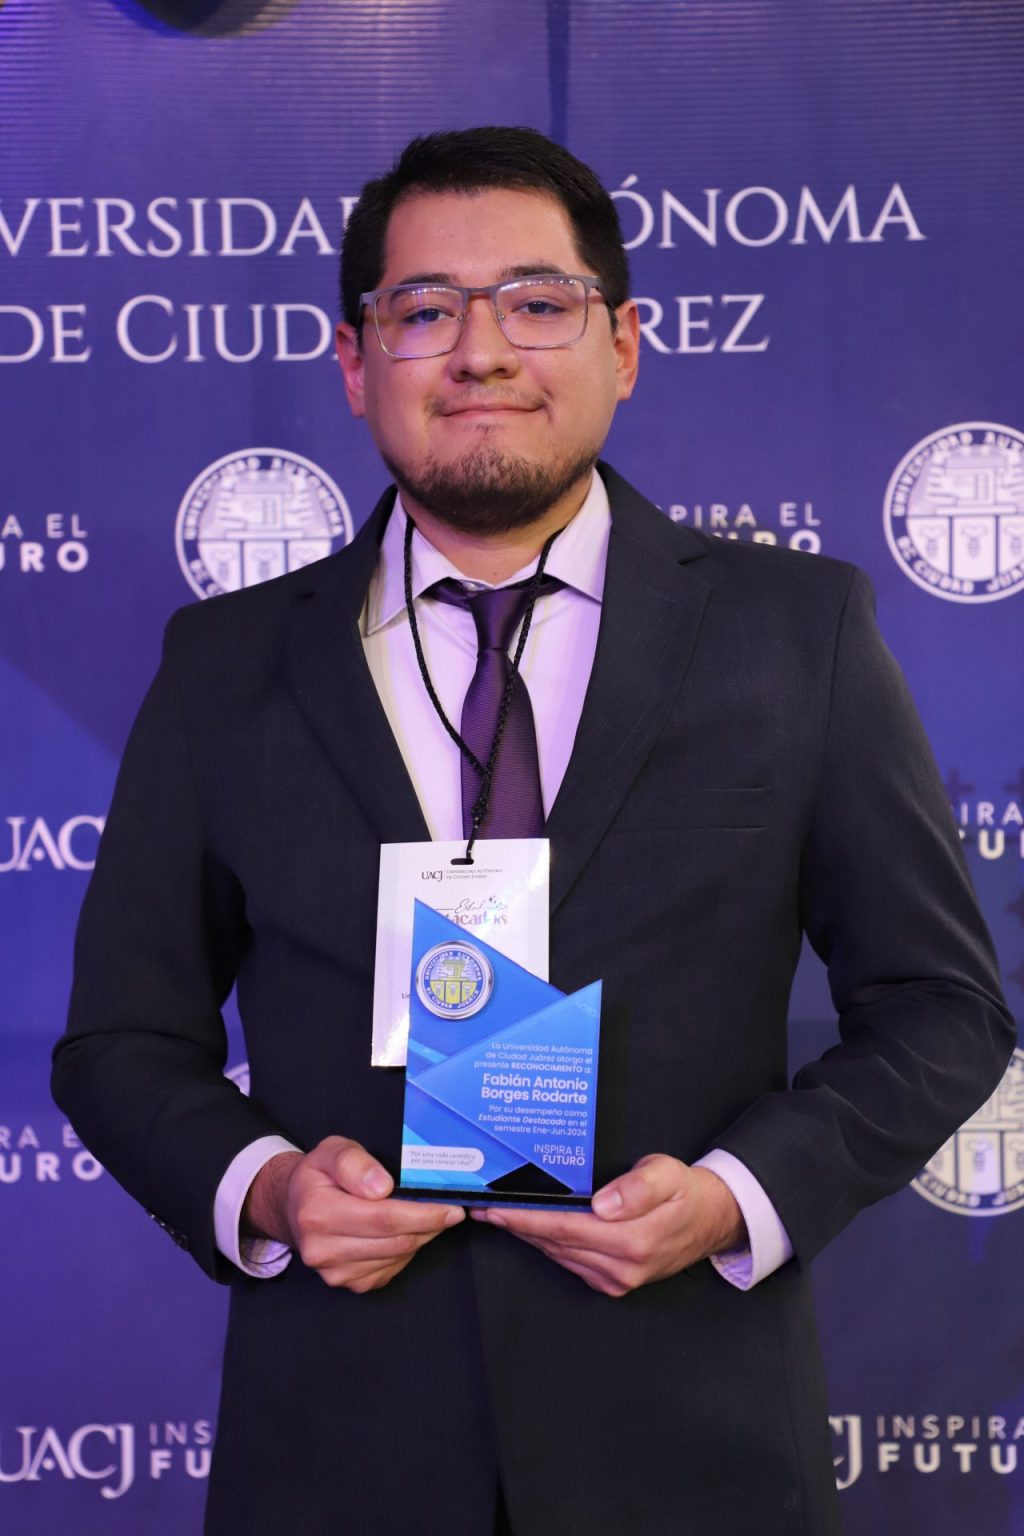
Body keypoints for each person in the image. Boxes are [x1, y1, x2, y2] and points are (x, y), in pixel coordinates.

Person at [53, 127, 1014, 1536]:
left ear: (623, 345)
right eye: (425, 310)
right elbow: (120, 1041)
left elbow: (941, 1007)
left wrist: (735, 1197)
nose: (482, 352)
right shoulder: (224, 665)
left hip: (697, 1453)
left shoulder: (793, 633)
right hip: (336, 1456)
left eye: (537, 303)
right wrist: (267, 1190)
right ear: (355, 360)